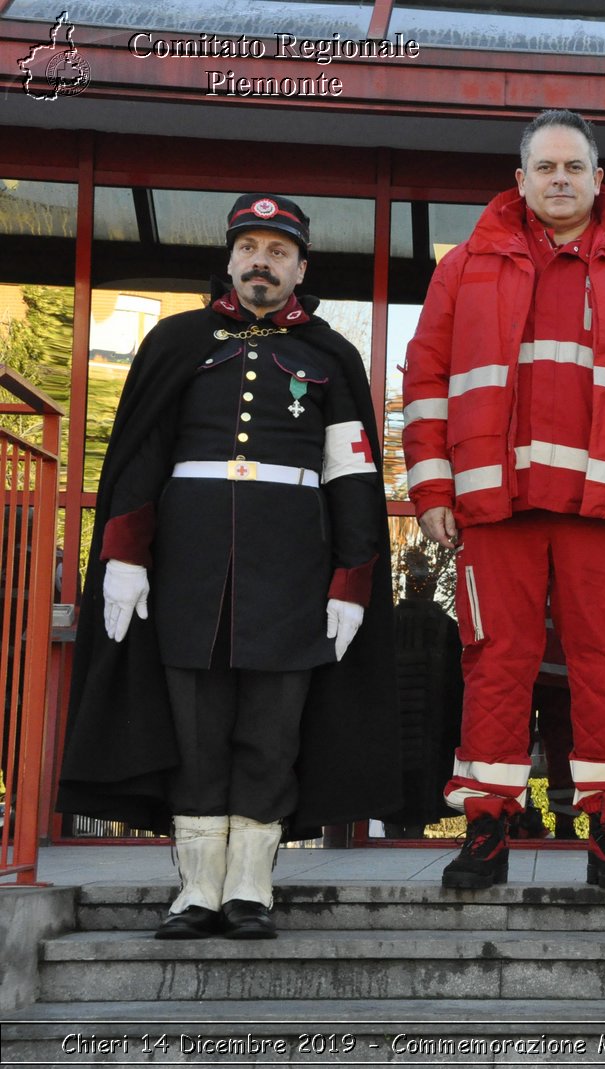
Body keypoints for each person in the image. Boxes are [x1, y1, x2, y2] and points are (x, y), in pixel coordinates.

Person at [57, 194, 398, 940]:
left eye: (278, 252)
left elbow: (352, 475)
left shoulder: (330, 355)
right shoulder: (178, 340)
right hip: (189, 576)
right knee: (197, 729)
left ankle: (250, 885)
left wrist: (351, 581)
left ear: (300, 268)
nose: (261, 263)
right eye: (250, 248)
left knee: (272, 732)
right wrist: (124, 556)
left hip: (292, 578)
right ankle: (198, 887)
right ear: (230, 258)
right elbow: (140, 456)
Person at [403, 109, 605, 891]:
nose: (560, 179)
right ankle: (489, 827)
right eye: (545, 167)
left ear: (600, 180)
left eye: (574, 167)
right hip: (496, 503)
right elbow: (427, 380)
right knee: (496, 662)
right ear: (520, 179)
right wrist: (433, 485)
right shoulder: (464, 267)